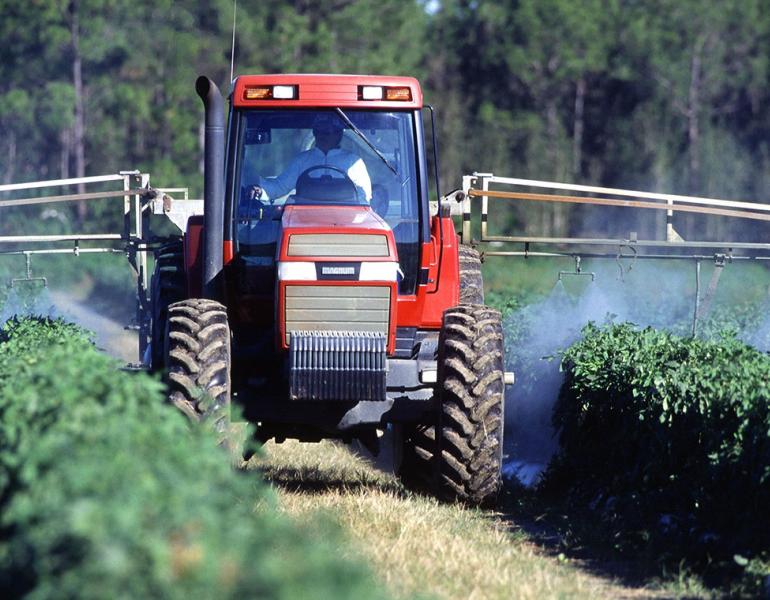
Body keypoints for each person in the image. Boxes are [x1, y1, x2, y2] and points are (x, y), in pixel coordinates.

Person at [247, 113, 372, 203]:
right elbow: (280, 187)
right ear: (314, 132)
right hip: (303, 221)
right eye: (320, 130)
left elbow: (364, 198)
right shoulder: (302, 160)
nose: (324, 135)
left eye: (329, 130)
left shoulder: (353, 162)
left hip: (344, 223)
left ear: (339, 133)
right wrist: (259, 190)